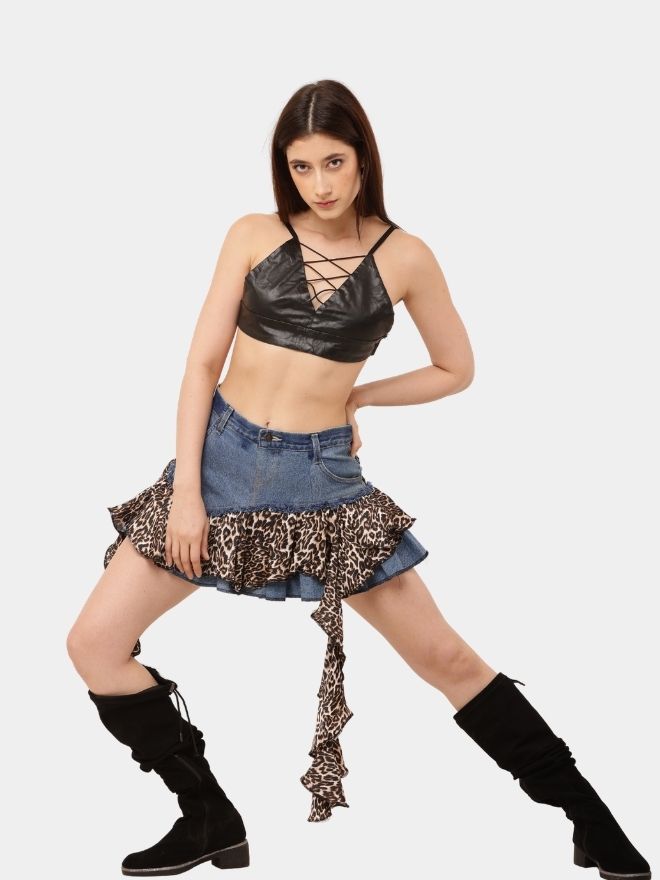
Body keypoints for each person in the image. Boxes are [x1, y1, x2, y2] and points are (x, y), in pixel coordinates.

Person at [66, 79, 651, 879]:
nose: (321, 184)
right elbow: (201, 366)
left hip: (323, 482)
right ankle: (206, 816)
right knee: (94, 644)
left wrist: (360, 394)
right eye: (301, 166)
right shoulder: (252, 233)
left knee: (445, 657)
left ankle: (592, 820)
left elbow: (456, 368)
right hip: (220, 462)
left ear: (364, 159)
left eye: (334, 162)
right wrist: (189, 494)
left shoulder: (406, 257)